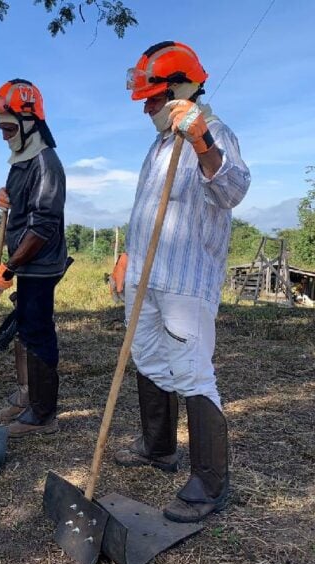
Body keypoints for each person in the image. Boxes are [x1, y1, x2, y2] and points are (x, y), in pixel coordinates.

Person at [115, 41, 251, 522]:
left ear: (178, 90)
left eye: (153, 98)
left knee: (192, 370)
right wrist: (127, 257)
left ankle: (209, 484)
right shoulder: (157, 146)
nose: (147, 107)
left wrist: (199, 141)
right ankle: (158, 449)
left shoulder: (215, 132)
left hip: (185, 278)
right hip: (146, 275)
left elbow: (233, 189)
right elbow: (145, 210)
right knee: (147, 356)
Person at [0, 79, 68, 438]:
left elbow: (44, 224)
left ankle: (43, 414)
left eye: (7, 127)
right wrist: (6, 196)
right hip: (25, 262)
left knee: (38, 330)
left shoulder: (46, 162)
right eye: (0, 127)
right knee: (27, 329)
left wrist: (10, 267)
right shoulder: (22, 160)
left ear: (28, 121)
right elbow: (23, 207)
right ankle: (28, 398)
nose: (3, 135)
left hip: (40, 263)